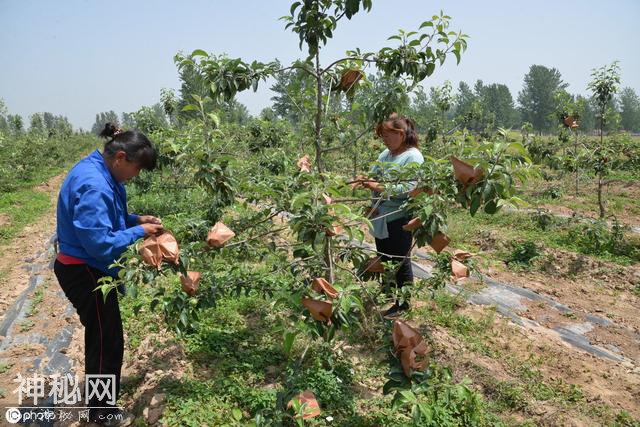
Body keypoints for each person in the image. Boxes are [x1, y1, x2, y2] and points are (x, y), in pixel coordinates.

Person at [54, 123, 163, 425]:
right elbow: (100, 242)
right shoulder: (95, 185)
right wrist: (139, 231)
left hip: (86, 264)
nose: (136, 175)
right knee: (105, 338)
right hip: (83, 270)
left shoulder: (99, 170)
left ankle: (102, 398)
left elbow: (108, 218)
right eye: (136, 168)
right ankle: (101, 411)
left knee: (106, 333)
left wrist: (135, 219)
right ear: (120, 158)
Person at [357, 114, 424, 318]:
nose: (385, 140)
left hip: (400, 216)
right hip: (381, 215)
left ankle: (403, 305)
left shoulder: (413, 157)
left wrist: (376, 186)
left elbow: (408, 189)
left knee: (400, 260)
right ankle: (388, 291)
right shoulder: (386, 154)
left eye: (388, 136)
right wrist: (372, 200)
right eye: (383, 136)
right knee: (384, 257)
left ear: (401, 134)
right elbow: (375, 176)